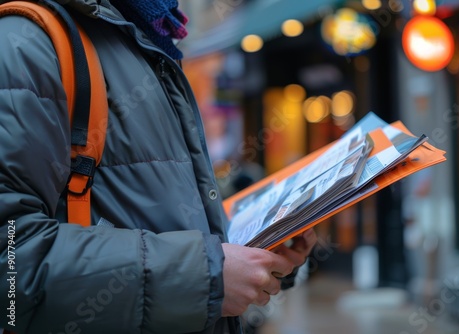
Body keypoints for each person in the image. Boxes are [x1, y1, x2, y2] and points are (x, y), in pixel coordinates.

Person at [0, 0, 317, 333]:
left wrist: (258, 255)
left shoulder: (148, 44)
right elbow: (10, 262)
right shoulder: (26, 39)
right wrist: (208, 277)